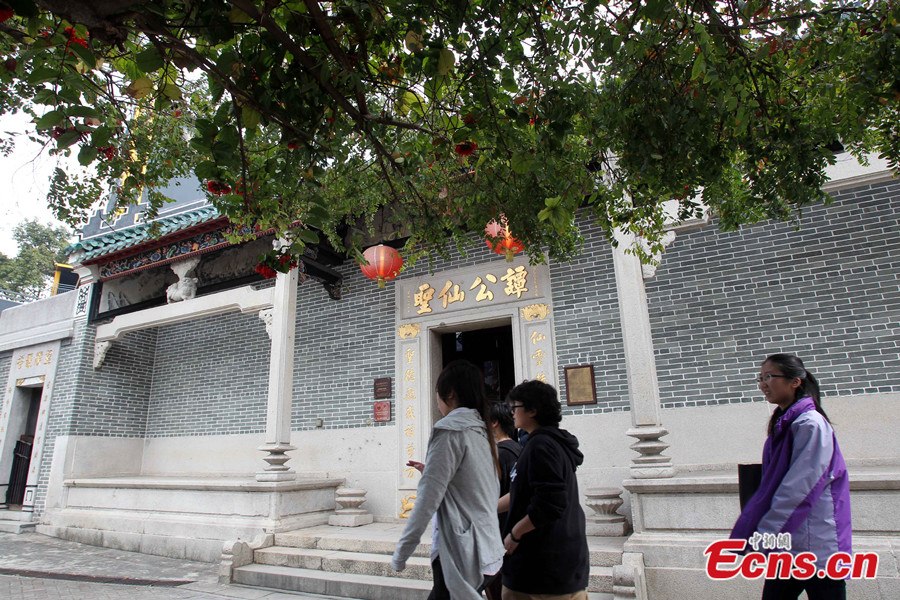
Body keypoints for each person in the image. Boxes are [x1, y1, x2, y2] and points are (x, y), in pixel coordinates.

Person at [731, 354, 852, 600]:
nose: (762, 384)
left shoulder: (810, 424)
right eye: (760, 378)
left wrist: (765, 532)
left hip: (816, 543)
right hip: (791, 543)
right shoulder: (786, 423)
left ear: (795, 381)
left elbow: (800, 488)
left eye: (769, 377)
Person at [391, 360, 505, 600]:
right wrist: (432, 472)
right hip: (489, 547)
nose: (437, 401)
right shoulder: (482, 430)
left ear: (449, 394)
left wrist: (401, 553)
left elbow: (426, 502)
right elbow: (481, 486)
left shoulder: (449, 429)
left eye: (437, 394)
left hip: (461, 553)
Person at [498, 380, 589, 600]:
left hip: (543, 569)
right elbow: (525, 491)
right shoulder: (547, 443)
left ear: (532, 410)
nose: (511, 413)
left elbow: (550, 504)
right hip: (554, 566)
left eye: (515, 407)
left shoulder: (542, 446)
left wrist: (514, 534)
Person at [486, 401, 522, 600]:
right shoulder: (518, 449)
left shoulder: (498, 454)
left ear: (494, 423)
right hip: (511, 531)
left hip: (498, 534)